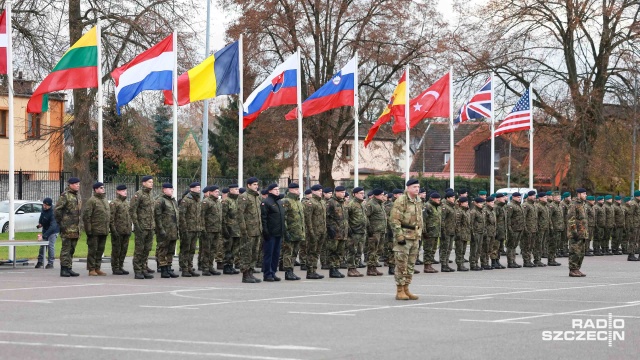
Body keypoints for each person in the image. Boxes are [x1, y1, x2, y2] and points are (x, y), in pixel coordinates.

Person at [390, 179, 423, 301]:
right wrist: (399, 236)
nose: (417, 189)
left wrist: (419, 234)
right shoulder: (401, 201)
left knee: (410, 265)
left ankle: (406, 288)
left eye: (418, 187)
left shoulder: (418, 200)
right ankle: (399, 290)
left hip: (415, 236)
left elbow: (419, 219)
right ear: (408, 188)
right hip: (404, 236)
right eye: (414, 187)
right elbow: (395, 220)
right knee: (401, 264)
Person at [129, 175, 155, 279]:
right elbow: (132, 210)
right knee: (139, 250)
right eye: (149, 182)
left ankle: (144, 268)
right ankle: (138, 270)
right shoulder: (138, 194)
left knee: (147, 249)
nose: (151, 183)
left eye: (152, 182)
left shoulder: (150, 195)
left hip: (150, 227)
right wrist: (137, 224)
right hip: (141, 227)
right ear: (143, 183)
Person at [55, 177, 82, 277]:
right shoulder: (65, 195)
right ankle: (64, 269)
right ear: (70, 184)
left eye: (78, 184)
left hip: (75, 228)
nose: (78, 185)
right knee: (66, 249)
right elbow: (58, 210)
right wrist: (61, 223)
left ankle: (69, 267)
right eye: (76, 184)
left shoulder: (77, 196)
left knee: (72, 249)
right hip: (67, 227)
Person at [82, 182, 110, 276]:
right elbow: (87, 216)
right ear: (96, 189)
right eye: (101, 188)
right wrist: (88, 230)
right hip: (94, 230)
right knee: (93, 250)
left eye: (103, 187)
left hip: (104, 230)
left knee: (100, 250)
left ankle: (98, 267)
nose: (103, 189)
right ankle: (91, 269)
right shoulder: (92, 201)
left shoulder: (104, 200)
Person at [238, 177, 263, 283]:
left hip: (257, 230)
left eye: (257, 184)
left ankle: (251, 273)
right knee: (246, 253)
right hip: (248, 231)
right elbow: (240, 214)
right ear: (248, 185)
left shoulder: (257, 197)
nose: (256, 186)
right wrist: (244, 229)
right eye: (254, 184)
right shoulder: (244, 197)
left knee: (254, 253)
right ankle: (245, 274)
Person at [154, 183, 180, 278]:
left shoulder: (173, 201)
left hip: (173, 230)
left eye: (172, 189)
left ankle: (169, 267)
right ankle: (163, 268)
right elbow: (157, 216)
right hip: (165, 230)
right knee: (162, 250)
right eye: (169, 189)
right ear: (164, 190)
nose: (172, 190)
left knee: (171, 250)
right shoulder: (161, 201)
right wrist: (160, 229)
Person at [260, 183, 285, 281]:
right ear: (270, 191)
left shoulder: (279, 202)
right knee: (268, 254)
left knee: (276, 254)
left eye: (278, 189)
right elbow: (264, 218)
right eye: (275, 189)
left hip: (279, 232)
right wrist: (265, 231)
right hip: (270, 233)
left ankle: (273, 272)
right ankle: (267, 274)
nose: (277, 191)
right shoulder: (266, 202)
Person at [179, 182, 204, 277]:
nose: (199, 189)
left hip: (195, 229)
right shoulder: (186, 200)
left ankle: (190, 267)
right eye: (197, 187)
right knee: (185, 249)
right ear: (192, 189)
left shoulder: (197, 200)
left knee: (192, 250)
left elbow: (199, 215)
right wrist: (184, 229)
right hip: (188, 229)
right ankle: (184, 268)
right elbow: (182, 215)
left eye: (199, 187)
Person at [281, 183, 304, 281]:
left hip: (298, 232)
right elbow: (283, 217)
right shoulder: (286, 201)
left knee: (295, 252)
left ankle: (292, 270)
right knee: (288, 252)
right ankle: (288, 271)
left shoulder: (298, 202)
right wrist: (286, 231)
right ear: (292, 190)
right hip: (290, 232)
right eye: (297, 189)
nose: (299, 191)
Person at [326, 186, 349, 278]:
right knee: (333, 251)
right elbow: (326, 216)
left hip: (343, 231)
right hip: (334, 231)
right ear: (337, 192)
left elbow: (345, 218)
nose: (343, 194)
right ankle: (332, 269)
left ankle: (336, 268)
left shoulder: (344, 203)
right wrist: (329, 228)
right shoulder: (331, 202)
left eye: (344, 192)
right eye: (342, 192)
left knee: (340, 251)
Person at [304, 184, 326, 280]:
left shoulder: (322, 202)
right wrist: (311, 232)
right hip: (314, 231)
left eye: (321, 191)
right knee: (311, 251)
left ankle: (314, 270)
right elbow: (308, 219)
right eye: (318, 191)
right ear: (313, 191)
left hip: (321, 231)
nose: (320, 192)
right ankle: (310, 271)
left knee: (317, 252)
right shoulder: (310, 203)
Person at [109, 185, 132, 275]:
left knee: (124, 250)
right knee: (116, 250)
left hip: (126, 230)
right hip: (118, 230)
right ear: (118, 192)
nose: (125, 192)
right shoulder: (114, 203)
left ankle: (120, 266)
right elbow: (111, 218)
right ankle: (115, 267)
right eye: (123, 191)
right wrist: (113, 230)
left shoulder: (126, 203)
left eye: (125, 190)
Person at [201, 186, 223, 276]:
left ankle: (210, 266)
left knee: (214, 250)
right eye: (215, 191)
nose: (217, 193)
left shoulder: (218, 202)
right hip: (208, 229)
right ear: (210, 192)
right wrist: (203, 229)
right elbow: (201, 216)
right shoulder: (206, 202)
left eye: (218, 191)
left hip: (216, 229)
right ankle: (205, 268)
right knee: (206, 250)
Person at [346, 187, 367, 277]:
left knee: (359, 251)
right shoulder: (351, 204)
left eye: (363, 193)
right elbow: (346, 218)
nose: (363, 194)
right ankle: (351, 268)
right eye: (360, 193)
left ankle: (355, 267)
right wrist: (349, 229)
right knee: (352, 250)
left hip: (361, 231)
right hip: (354, 231)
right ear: (354, 194)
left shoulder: (361, 204)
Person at [365, 188, 386, 276]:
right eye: (382, 195)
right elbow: (366, 217)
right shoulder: (370, 204)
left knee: (379, 250)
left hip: (381, 230)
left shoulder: (380, 204)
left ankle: (374, 267)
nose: (383, 196)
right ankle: (370, 268)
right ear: (377, 195)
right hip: (374, 231)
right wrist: (370, 229)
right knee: (372, 250)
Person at [567, 188, 588, 277]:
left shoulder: (582, 204)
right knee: (575, 251)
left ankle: (577, 268)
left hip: (582, 232)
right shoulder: (573, 204)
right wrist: (574, 231)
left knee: (581, 252)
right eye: (584, 194)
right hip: (575, 233)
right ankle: (573, 269)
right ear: (579, 194)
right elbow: (571, 218)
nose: (585, 195)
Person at [222, 184, 241, 274]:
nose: (237, 190)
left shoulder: (238, 200)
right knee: (228, 248)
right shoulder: (226, 201)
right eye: (235, 189)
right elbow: (223, 216)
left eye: (238, 189)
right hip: (229, 229)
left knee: (235, 249)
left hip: (237, 229)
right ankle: (226, 266)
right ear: (231, 190)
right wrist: (225, 229)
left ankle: (231, 265)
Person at [36, 197, 59, 269]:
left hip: (53, 231)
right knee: (42, 246)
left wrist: (44, 235)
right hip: (45, 228)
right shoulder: (43, 209)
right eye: (44, 205)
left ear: (50, 205)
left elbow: (53, 226)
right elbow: (42, 217)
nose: (44, 207)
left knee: (50, 245)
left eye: (46, 206)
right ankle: (40, 261)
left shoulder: (53, 212)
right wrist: (40, 224)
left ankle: (50, 262)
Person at [422, 192, 441, 273]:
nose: (439, 200)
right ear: (433, 199)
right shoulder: (427, 206)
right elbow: (423, 219)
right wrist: (424, 231)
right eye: (437, 199)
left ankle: (430, 265)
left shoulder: (437, 207)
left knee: (433, 249)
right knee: (428, 249)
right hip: (429, 232)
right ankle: (426, 266)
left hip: (435, 231)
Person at [506, 192, 525, 268]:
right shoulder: (510, 206)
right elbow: (508, 218)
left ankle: (513, 261)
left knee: (514, 246)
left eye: (520, 197)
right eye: (517, 197)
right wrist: (510, 229)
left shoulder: (519, 205)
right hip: (513, 229)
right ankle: (510, 262)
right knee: (511, 246)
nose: (519, 198)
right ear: (513, 197)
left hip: (519, 228)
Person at [439, 191, 457, 272]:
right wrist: (443, 231)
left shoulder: (452, 207)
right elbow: (442, 220)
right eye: (452, 197)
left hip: (452, 230)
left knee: (449, 248)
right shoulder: (445, 207)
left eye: (454, 197)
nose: (454, 198)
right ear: (447, 198)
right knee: (445, 248)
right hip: (446, 231)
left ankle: (446, 264)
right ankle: (443, 265)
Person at [521, 190, 538, 268]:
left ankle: (529, 260)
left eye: (535, 195)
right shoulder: (525, 205)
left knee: (531, 245)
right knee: (526, 245)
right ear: (529, 196)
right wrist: (525, 228)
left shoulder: (533, 205)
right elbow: (523, 217)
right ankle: (526, 261)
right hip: (528, 228)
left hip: (533, 228)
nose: (534, 197)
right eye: (533, 196)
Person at [547, 191, 564, 266]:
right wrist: (551, 227)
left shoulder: (559, 206)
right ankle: (551, 260)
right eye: (557, 197)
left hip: (559, 228)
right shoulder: (552, 206)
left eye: (559, 197)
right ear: (553, 198)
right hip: (554, 228)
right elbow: (549, 217)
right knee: (552, 244)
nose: (559, 198)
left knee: (556, 244)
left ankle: (553, 258)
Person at [455, 197, 471, 271]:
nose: (467, 203)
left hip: (466, 233)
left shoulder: (466, 211)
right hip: (460, 234)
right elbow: (457, 224)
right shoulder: (459, 211)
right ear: (461, 203)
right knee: (459, 250)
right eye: (465, 202)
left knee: (463, 250)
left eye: (467, 202)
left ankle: (462, 264)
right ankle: (459, 265)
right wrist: (458, 233)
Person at [492, 193, 507, 269]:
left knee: (500, 247)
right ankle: (493, 262)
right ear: (497, 198)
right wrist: (496, 230)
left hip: (502, 230)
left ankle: (497, 261)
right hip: (497, 230)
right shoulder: (496, 207)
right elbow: (494, 220)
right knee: (495, 246)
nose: (504, 198)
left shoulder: (502, 207)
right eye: (502, 197)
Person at [534, 193, 550, 267]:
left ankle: (539, 259)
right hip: (540, 228)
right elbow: (535, 218)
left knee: (542, 244)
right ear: (540, 198)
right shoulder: (538, 206)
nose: (546, 198)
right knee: (538, 244)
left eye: (546, 197)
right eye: (544, 197)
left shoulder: (545, 206)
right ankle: (537, 260)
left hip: (545, 228)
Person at [483, 196, 498, 270]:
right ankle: (484, 263)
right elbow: (484, 223)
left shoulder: (492, 211)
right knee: (485, 248)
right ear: (487, 202)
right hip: (487, 233)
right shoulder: (485, 211)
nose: (493, 203)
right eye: (491, 202)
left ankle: (487, 262)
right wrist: (485, 233)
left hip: (492, 232)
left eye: (493, 202)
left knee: (490, 249)